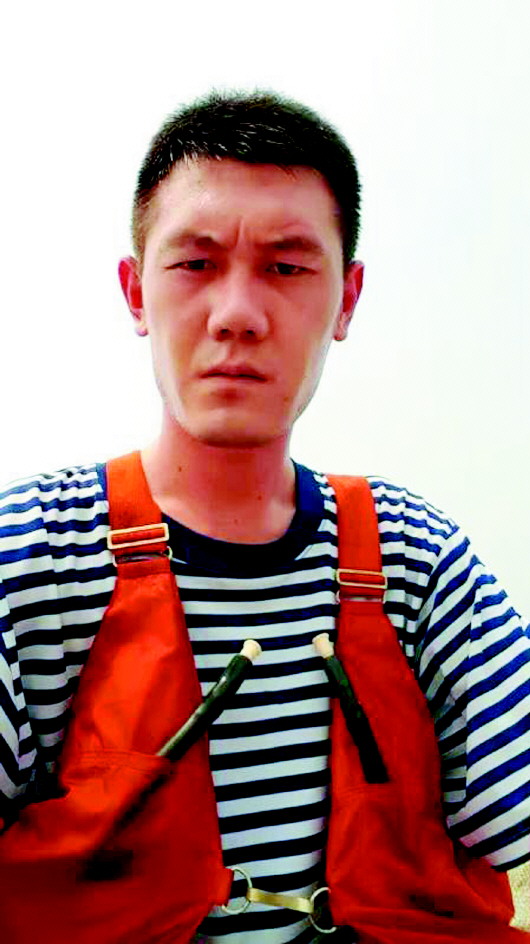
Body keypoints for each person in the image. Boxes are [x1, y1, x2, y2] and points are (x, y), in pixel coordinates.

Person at [0, 90, 528, 944]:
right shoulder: (30, 559)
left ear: (347, 298)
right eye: (194, 263)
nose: (238, 315)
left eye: (287, 268)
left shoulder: (418, 559)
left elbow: (514, 813)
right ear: (135, 291)